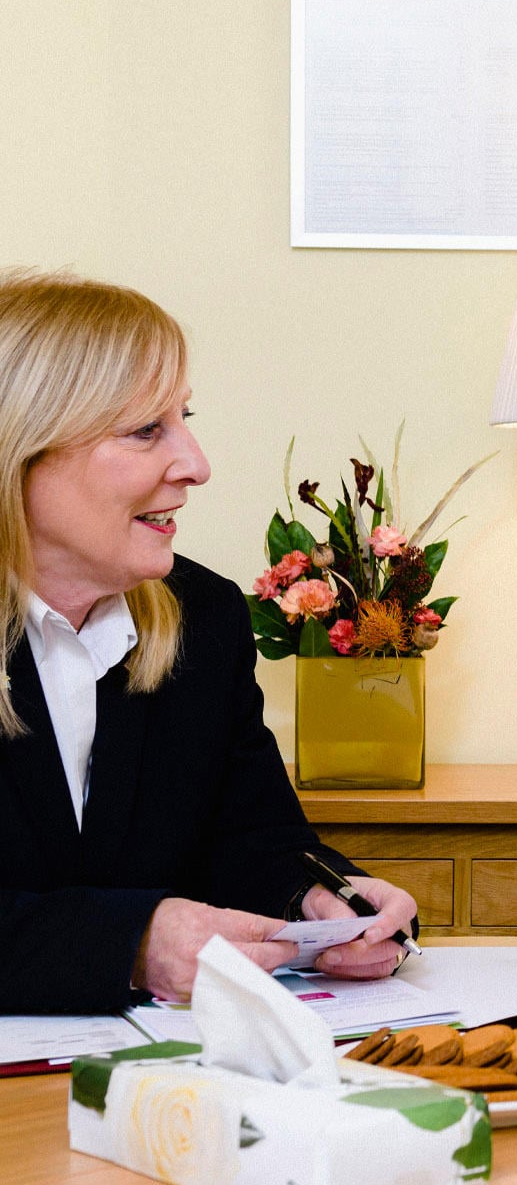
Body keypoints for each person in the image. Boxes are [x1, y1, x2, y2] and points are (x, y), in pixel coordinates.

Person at [0, 270, 418, 1014]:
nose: (196, 465)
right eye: (145, 431)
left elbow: (252, 838)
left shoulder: (205, 615)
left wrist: (322, 898)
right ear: (20, 448)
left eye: (184, 418)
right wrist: (130, 944)